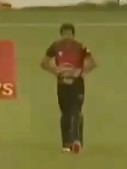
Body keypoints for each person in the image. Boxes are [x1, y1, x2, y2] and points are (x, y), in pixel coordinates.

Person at [40, 23, 97, 153]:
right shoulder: (55, 46)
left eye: (69, 34)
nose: (67, 36)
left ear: (73, 35)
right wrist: (56, 71)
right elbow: (43, 63)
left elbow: (92, 63)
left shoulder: (81, 46)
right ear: (61, 35)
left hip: (77, 84)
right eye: (64, 34)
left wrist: (80, 72)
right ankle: (66, 144)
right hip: (62, 84)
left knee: (76, 111)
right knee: (65, 113)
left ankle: (77, 141)